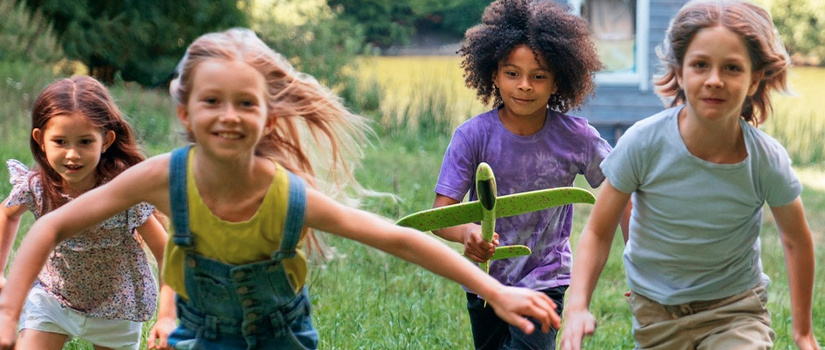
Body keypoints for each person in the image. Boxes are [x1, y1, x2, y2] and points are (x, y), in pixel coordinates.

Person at [0, 28, 562, 350]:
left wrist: (494, 291)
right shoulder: (162, 178)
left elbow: (396, 239)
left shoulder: (284, 194)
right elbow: (51, 227)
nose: (229, 115)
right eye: (212, 101)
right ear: (186, 112)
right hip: (200, 336)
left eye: (246, 103)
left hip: (281, 338)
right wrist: (8, 310)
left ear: (267, 117)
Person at [560, 1, 820, 349]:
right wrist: (577, 306)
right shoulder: (644, 142)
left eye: (732, 68)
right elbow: (597, 230)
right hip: (657, 313)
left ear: (755, 79)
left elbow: (796, 240)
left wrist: (803, 332)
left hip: (735, 309)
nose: (714, 80)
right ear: (680, 72)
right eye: (700, 65)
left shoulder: (765, 159)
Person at [430, 0, 614, 349]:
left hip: (546, 278)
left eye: (539, 76)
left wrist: (637, 251)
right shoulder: (472, 137)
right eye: (512, 73)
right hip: (484, 281)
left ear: (558, 81)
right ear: (494, 75)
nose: (525, 85)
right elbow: (441, 215)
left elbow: (621, 188)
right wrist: (467, 233)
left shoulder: (578, 138)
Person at [0, 76, 167, 350]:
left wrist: (168, 314)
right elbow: (8, 214)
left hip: (116, 307)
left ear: (106, 141)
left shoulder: (123, 193)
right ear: (40, 140)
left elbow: (165, 252)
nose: (72, 154)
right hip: (53, 298)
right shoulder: (37, 187)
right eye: (60, 141)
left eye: (85, 142)